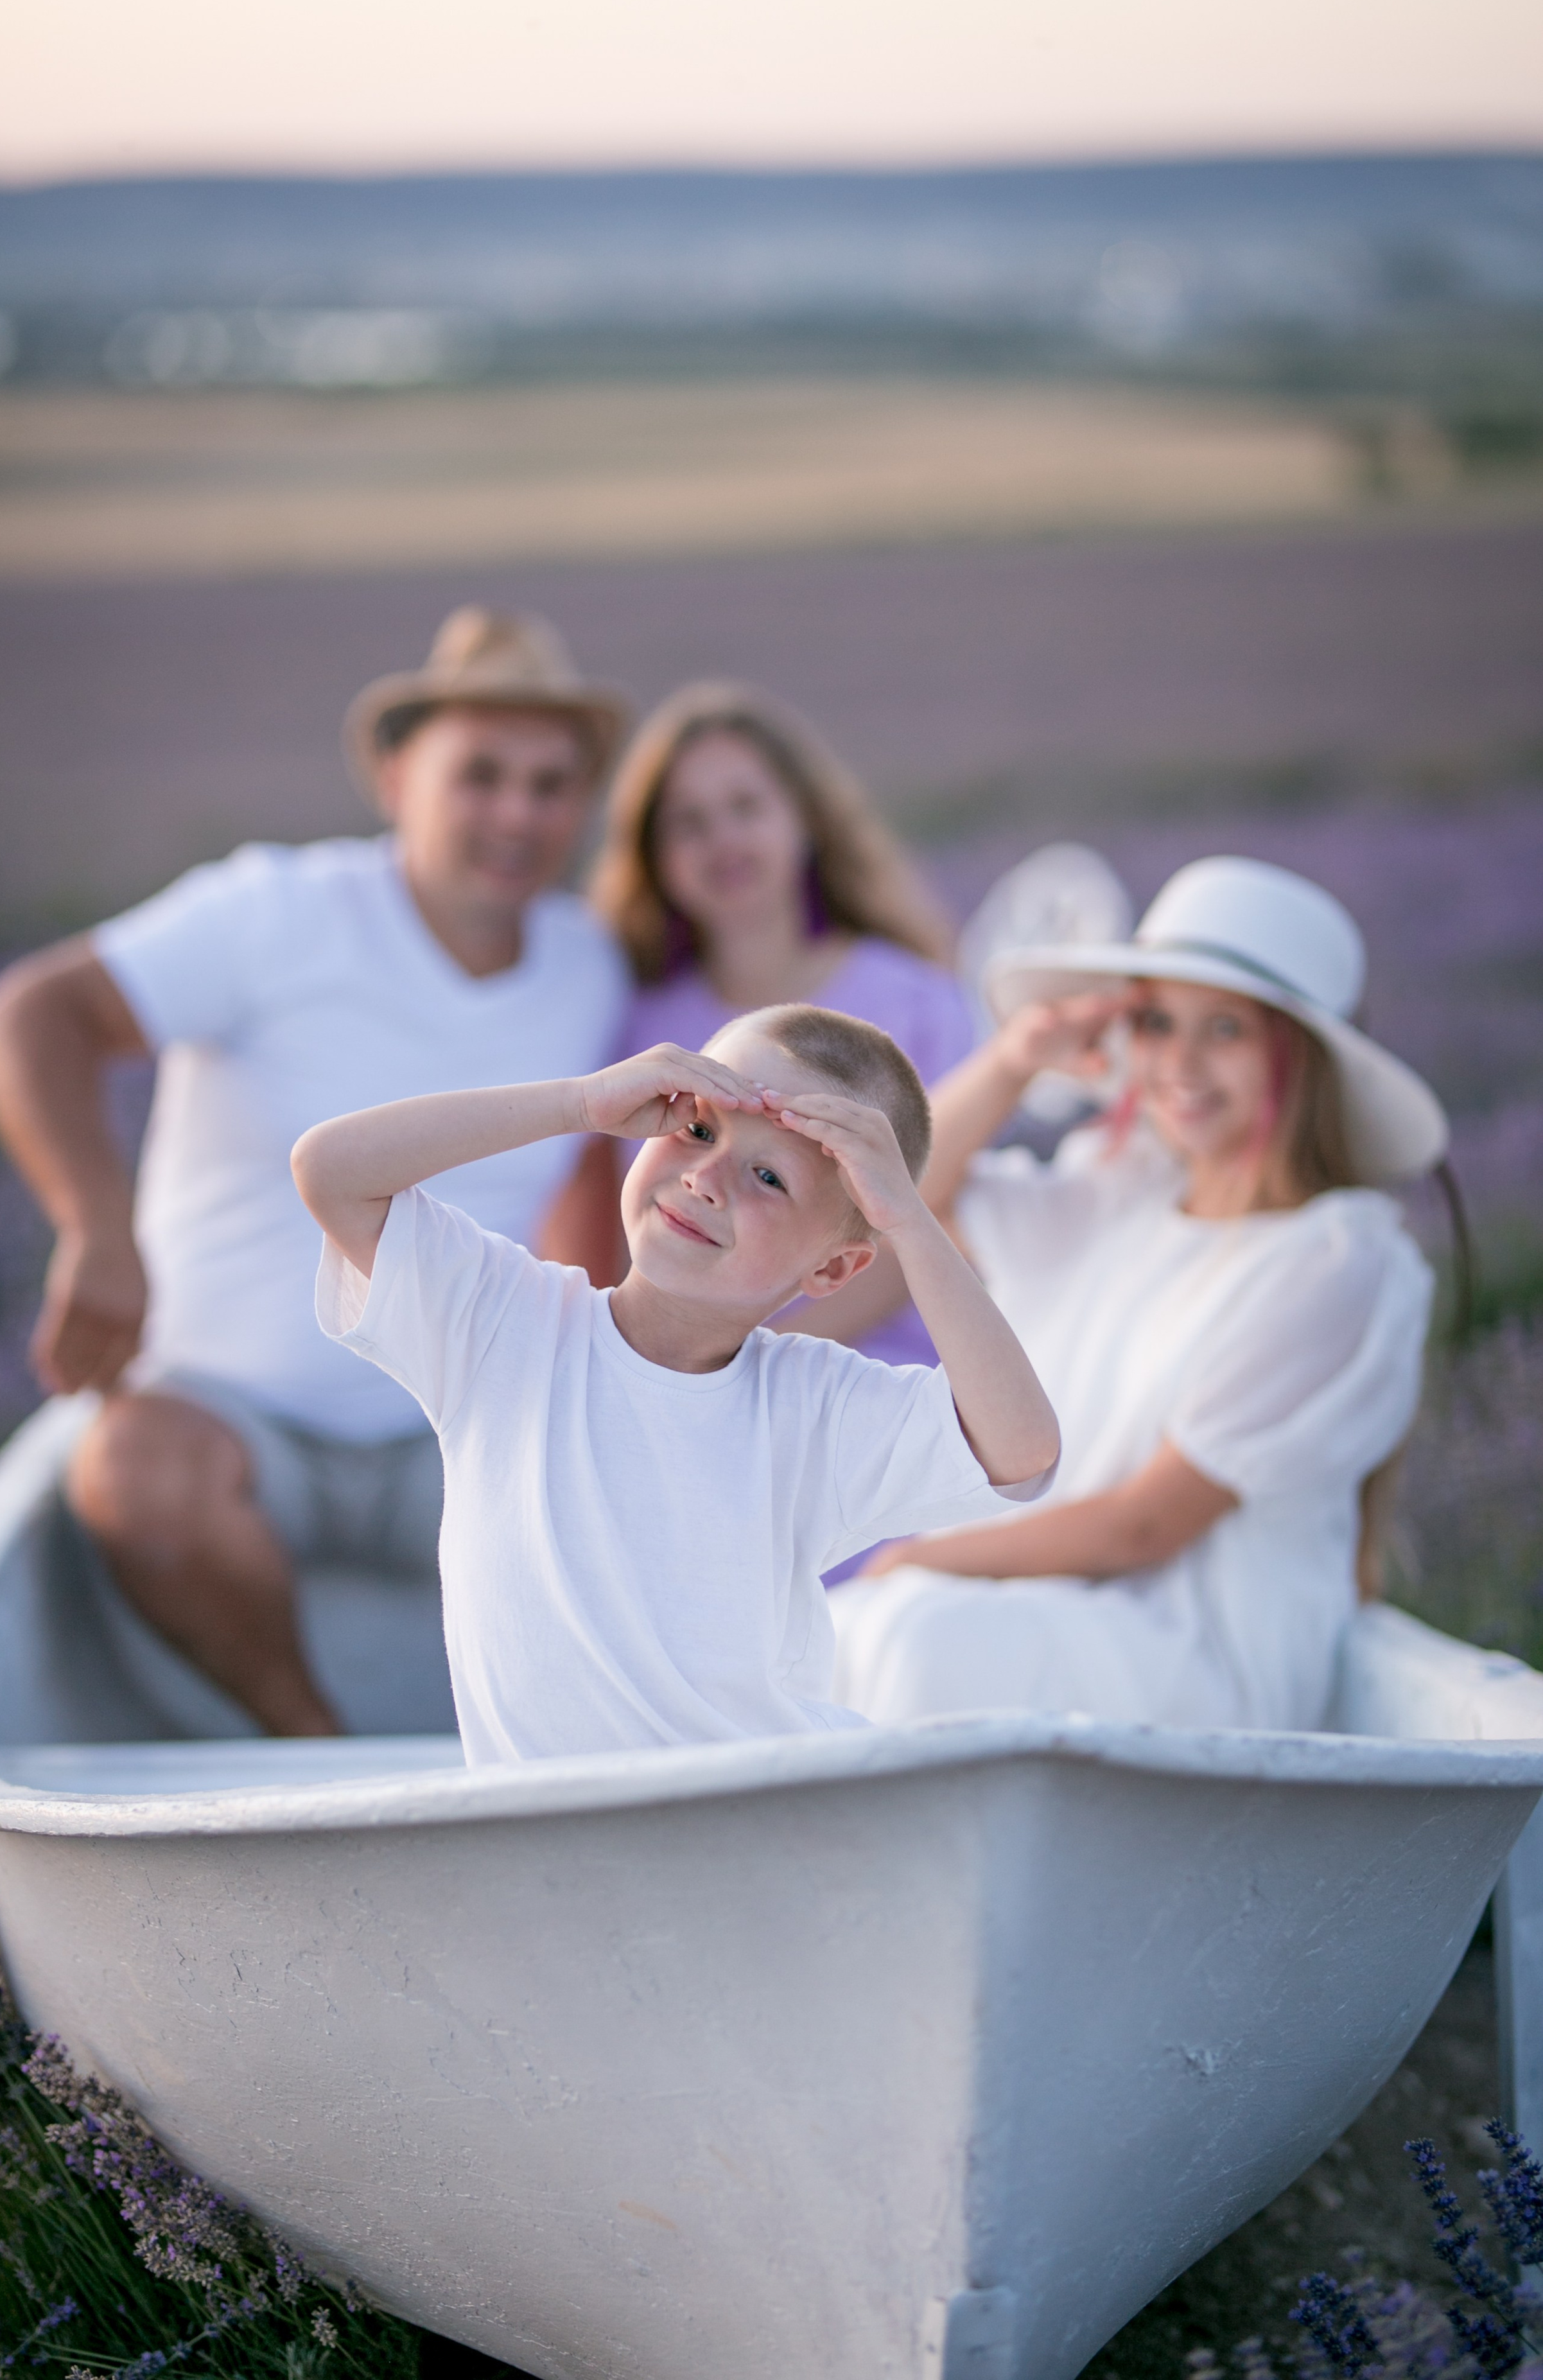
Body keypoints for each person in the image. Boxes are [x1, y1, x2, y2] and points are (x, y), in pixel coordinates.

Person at [0, 606, 631, 1738]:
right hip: (232, 1415)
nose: (518, 814)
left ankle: (561, 1765)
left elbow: (593, 1190)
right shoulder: (275, 911)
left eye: (551, 785)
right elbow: (28, 1017)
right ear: (396, 777)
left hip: (455, 1429)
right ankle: (310, 1748)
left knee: (634, 1497)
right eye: (481, 775)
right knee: (133, 1474)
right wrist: (96, 1232)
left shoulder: (590, 965)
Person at [290, 1008, 1059, 1767]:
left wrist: (908, 1222)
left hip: (768, 1814)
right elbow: (332, 1171)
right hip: (549, 1832)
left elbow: (1020, 1448)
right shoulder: (500, 1324)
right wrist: (580, 1104)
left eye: (769, 1177)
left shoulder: (813, 1407)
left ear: (832, 1268)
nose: (705, 1178)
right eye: (696, 1130)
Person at [829, 855, 1447, 1737]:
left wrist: (921, 1559)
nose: (1181, 1062)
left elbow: (1148, 1525)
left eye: (1225, 1029)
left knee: (914, 1635)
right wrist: (1014, 1060)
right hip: (1064, 1606)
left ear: (1299, 1057)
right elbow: (903, 1197)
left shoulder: (1336, 1257)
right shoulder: (1122, 1189)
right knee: (850, 1630)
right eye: (1157, 1022)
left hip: (1196, 1647)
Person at [574, 681, 974, 1362]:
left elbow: (943, 1226)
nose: (722, 839)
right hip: (683, 1384)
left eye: (745, 807)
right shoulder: (637, 1019)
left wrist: (739, 1371)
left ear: (804, 820)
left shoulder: (919, 1004)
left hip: (878, 1380)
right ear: (654, 855)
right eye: (688, 822)